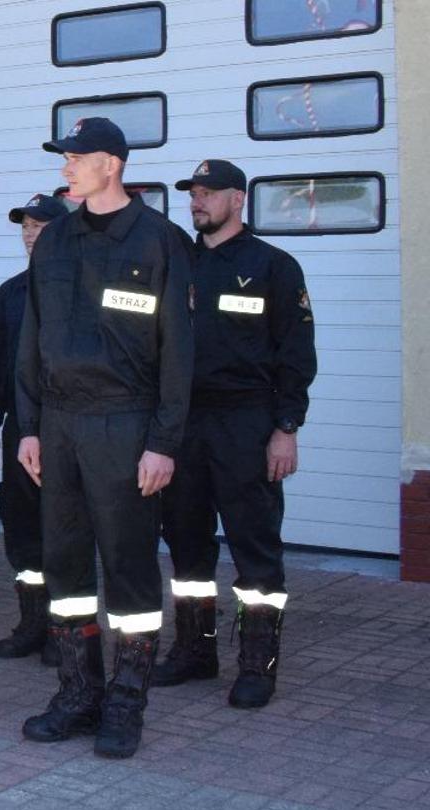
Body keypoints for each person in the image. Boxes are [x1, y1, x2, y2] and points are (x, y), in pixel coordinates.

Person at [17, 118, 193, 759]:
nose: (65, 167)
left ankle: (126, 702)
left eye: (76, 157)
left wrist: (164, 442)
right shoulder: (56, 241)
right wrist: (29, 427)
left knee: (128, 568)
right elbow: (31, 341)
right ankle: (78, 694)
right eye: (64, 158)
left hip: (126, 424)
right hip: (59, 425)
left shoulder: (160, 242)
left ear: (111, 164)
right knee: (63, 563)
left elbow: (179, 353)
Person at [156, 159, 316, 709]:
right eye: (192, 194)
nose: (197, 202)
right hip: (183, 424)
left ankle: (257, 665)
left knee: (255, 548)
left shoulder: (273, 266)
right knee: (185, 545)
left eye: (207, 193)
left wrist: (286, 428)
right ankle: (195, 652)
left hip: (247, 422)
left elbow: (296, 357)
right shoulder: (179, 264)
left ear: (238, 199)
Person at [0, 193, 71, 666]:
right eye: (25, 227)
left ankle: (66, 630)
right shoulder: (11, 294)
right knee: (22, 530)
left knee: (63, 532)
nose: (31, 233)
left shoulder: (80, 287)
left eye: (40, 226)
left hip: (66, 432)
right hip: (20, 432)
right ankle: (32, 624)